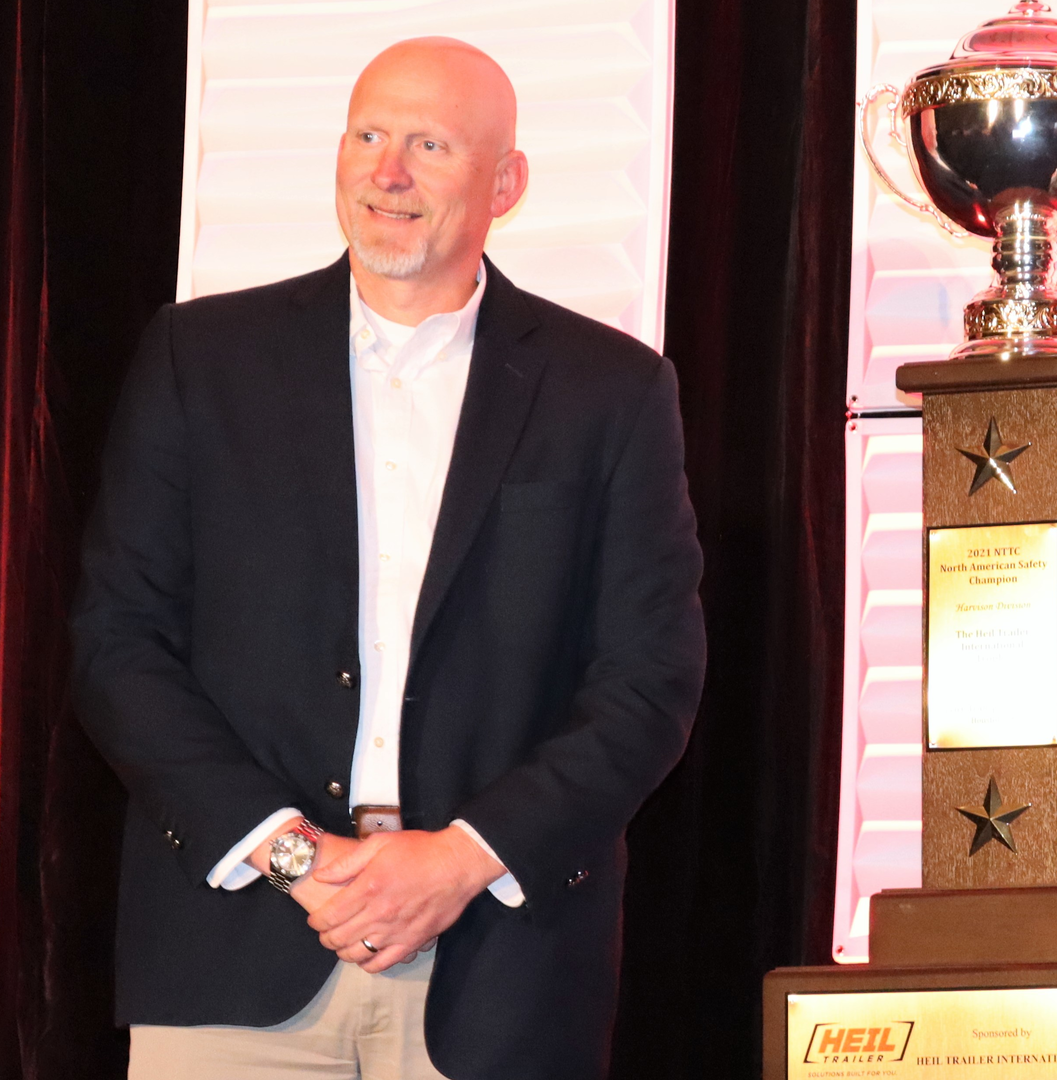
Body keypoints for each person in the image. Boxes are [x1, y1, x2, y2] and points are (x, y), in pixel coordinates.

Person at [70, 37, 705, 1080]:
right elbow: (116, 642)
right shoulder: (201, 360)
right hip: (236, 953)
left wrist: (461, 859)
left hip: (497, 966)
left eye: (429, 144)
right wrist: (292, 855)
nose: (387, 172)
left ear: (507, 183)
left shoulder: (611, 394)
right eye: (367, 134)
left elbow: (649, 682)